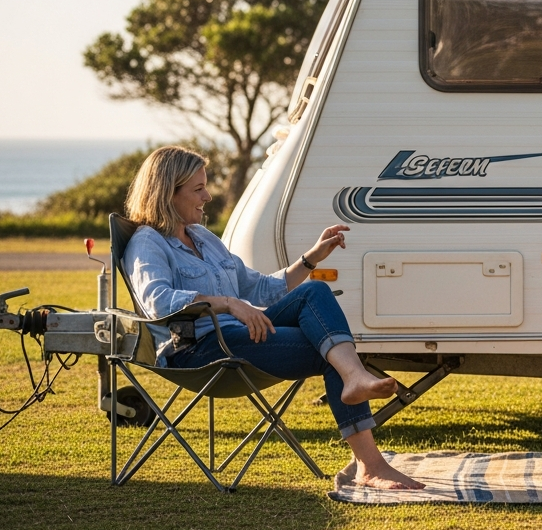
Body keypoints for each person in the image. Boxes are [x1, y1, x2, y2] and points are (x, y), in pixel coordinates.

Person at [121, 145, 422, 489]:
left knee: (315, 291)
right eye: (197, 189)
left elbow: (261, 289)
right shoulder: (147, 243)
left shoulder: (203, 238)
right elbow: (157, 302)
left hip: (241, 335)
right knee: (332, 356)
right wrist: (227, 303)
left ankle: (356, 392)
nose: (207, 195)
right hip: (201, 347)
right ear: (166, 193)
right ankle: (370, 463)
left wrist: (310, 259)